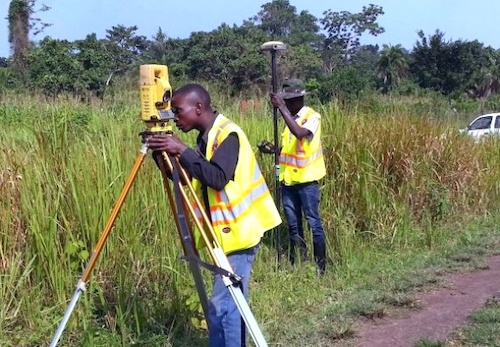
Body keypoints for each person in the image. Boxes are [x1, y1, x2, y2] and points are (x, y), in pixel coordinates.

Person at [143, 83, 282, 347]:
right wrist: (160, 153)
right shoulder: (205, 138)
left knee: (224, 308)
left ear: (198, 107)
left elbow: (217, 178)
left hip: (239, 235)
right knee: (226, 308)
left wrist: (181, 150)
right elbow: (182, 178)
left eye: (177, 110)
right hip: (221, 236)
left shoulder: (228, 135)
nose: (174, 117)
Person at [269, 79, 327, 276]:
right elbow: (289, 150)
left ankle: (321, 267)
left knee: (313, 223)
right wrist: (273, 150)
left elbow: (300, 133)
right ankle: (300, 262)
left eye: (290, 101)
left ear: (299, 99)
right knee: (293, 225)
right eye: (287, 102)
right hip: (288, 182)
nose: (289, 105)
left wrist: (282, 108)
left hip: (307, 182)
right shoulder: (289, 120)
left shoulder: (312, 117)